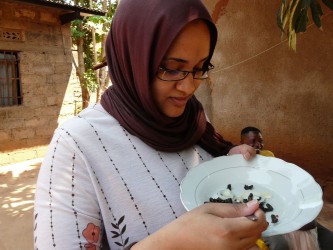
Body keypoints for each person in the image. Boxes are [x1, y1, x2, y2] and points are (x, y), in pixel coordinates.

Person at [33, 0, 269, 249]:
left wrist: (227, 161)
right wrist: (171, 244)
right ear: (133, 58)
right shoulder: (76, 145)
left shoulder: (192, 119)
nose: (189, 87)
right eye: (172, 68)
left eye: (200, 67)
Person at [241, 126, 333, 250]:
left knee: (318, 232)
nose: (258, 145)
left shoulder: (268, 156)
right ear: (242, 144)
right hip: (262, 210)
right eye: (253, 142)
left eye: (261, 141)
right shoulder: (240, 165)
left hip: (278, 200)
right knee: (280, 243)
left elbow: (279, 179)